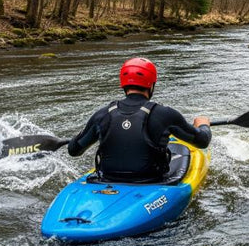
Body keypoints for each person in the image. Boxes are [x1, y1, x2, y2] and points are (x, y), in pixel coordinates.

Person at [67, 58, 211, 182]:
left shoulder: (101, 115)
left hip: (107, 179)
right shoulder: (166, 115)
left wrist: (89, 131)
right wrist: (203, 124)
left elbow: (73, 150)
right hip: (152, 181)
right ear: (151, 84)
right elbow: (202, 141)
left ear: (123, 84)